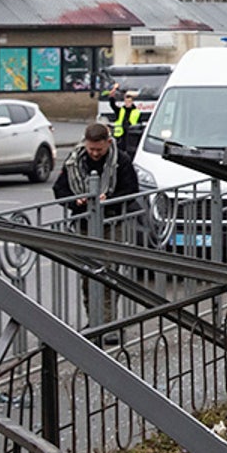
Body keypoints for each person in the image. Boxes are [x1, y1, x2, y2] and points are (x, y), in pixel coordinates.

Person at [52, 124, 141, 334]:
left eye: (99, 150)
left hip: (112, 222)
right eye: (91, 149)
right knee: (88, 276)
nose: (94, 153)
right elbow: (60, 190)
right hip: (84, 224)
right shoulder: (75, 160)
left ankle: (107, 324)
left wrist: (108, 199)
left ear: (108, 143)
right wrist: (77, 201)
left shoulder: (121, 160)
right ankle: (95, 321)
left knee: (107, 275)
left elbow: (131, 190)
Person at [109, 91, 144, 157]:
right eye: (126, 101)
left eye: (129, 101)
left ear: (132, 102)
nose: (127, 103)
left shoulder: (136, 112)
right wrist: (111, 97)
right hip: (120, 136)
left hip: (131, 135)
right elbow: (112, 105)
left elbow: (139, 124)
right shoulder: (120, 110)